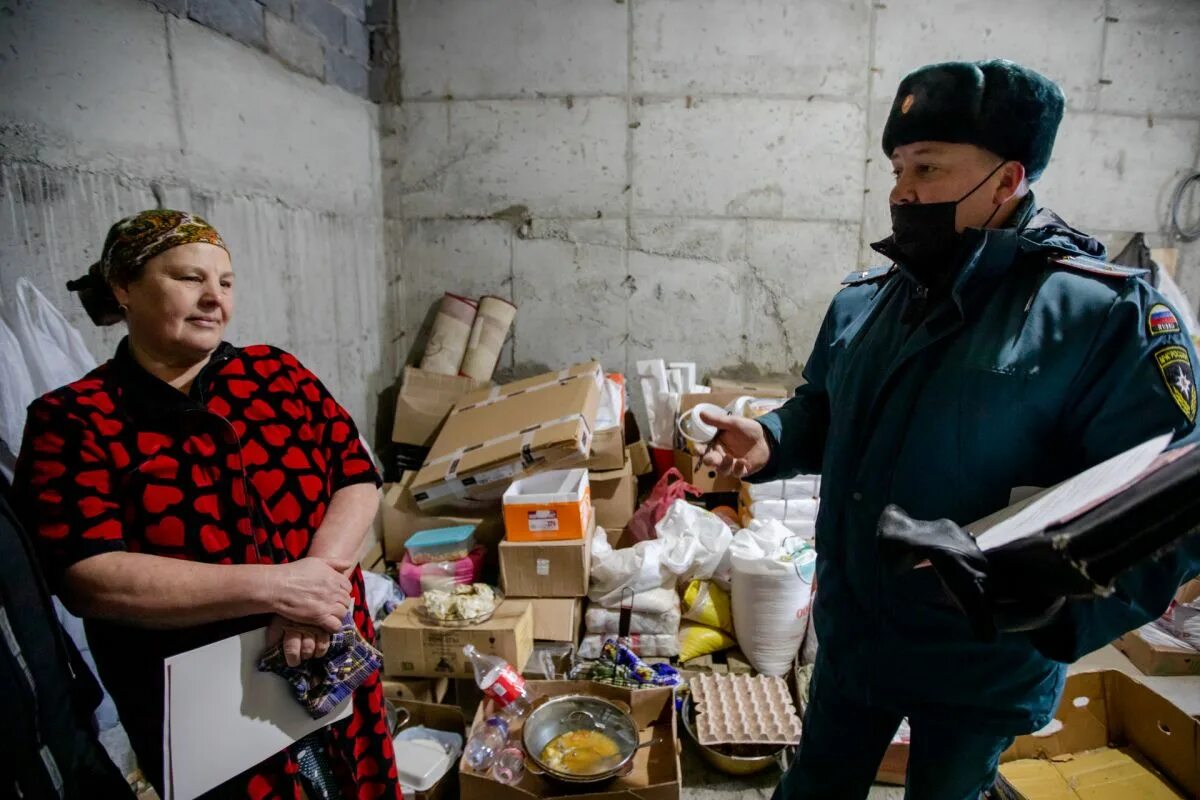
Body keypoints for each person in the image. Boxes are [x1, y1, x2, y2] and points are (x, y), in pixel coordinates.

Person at [700, 60, 1200, 799]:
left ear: (1007, 179)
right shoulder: (866, 303)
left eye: (928, 168)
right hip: (857, 637)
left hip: (982, 661)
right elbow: (824, 409)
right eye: (899, 167)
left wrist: (1047, 603)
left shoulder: (1098, 318)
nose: (902, 191)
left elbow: (1173, 506)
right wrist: (772, 437)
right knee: (813, 787)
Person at [12, 210, 401, 799]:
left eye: (225, 282)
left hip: (324, 641)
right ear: (124, 287)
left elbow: (356, 475)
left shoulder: (276, 374)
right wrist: (274, 589)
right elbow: (88, 575)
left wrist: (311, 587)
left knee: (356, 778)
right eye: (188, 278)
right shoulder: (74, 418)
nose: (213, 299)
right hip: (207, 697)